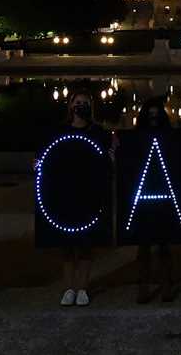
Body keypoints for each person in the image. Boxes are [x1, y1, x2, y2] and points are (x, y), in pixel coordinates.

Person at [55, 90, 112, 307]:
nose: (80, 106)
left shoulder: (98, 132)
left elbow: (106, 160)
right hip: (66, 192)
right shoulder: (60, 131)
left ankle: (83, 288)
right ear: (70, 106)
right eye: (77, 102)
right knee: (67, 246)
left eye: (84, 103)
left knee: (86, 244)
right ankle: (69, 288)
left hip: (88, 192)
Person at [134, 98, 175, 304]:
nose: (153, 118)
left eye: (156, 114)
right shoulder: (138, 137)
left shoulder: (166, 137)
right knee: (144, 245)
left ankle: (165, 284)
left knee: (163, 243)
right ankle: (143, 285)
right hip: (143, 196)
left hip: (162, 194)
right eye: (149, 115)